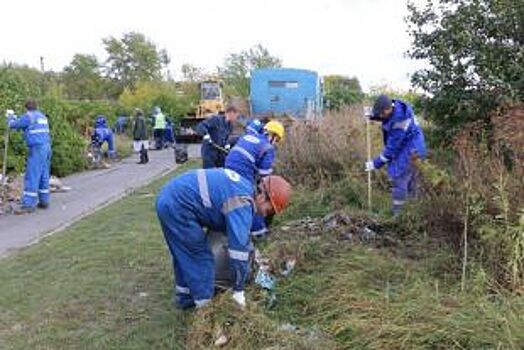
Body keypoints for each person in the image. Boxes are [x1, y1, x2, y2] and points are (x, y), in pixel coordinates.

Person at [156, 169, 292, 309]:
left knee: (185, 253)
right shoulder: (242, 202)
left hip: (172, 197)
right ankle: (205, 308)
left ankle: (185, 297)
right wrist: (239, 291)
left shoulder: (244, 188)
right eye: (269, 211)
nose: (264, 215)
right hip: (177, 206)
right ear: (263, 197)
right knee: (199, 257)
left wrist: (251, 252)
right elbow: (238, 251)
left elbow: (237, 236)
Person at [365, 95, 427, 215]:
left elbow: (391, 150)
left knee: (399, 178)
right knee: (412, 183)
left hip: (411, 150)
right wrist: (372, 115)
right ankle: (414, 213)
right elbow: (386, 118)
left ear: (387, 109)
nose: (380, 116)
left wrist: (375, 163)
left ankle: (398, 215)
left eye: (380, 113)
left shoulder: (401, 122)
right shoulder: (396, 108)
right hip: (415, 147)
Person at [225, 119, 285, 238]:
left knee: (235, 196)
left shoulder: (250, 137)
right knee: (254, 199)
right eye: (277, 140)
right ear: (273, 135)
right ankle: (259, 232)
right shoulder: (268, 148)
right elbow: (265, 177)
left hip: (227, 166)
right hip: (242, 171)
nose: (276, 143)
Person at [5, 100, 52, 214]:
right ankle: (44, 201)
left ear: (26, 107)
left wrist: (10, 116)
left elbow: (13, 125)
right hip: (47, 147)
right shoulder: (42, 116)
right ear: (36, 106)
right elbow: (23, 123)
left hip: (37, 149)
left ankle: (28, 204)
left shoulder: (28, 117)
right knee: (43, 175)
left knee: (32, 175)